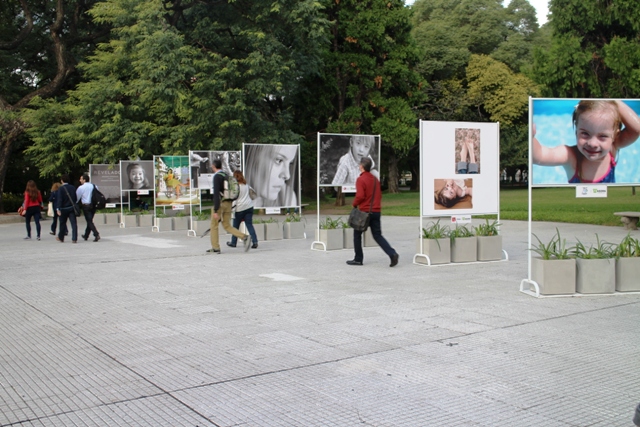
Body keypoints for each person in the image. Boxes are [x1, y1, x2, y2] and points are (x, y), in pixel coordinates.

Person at [533, 100, 640, 183]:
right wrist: (530, 136)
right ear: (576, 129)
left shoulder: (612, 148)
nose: (592, 144)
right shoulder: (571, 156)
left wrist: (613, 100)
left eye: (602, 136)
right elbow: (539, 156)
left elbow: (637, 129)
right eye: (585, 133)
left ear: (615, 136)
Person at [347, 157, 399, 267]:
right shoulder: (375, 180)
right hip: (376, 211)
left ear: (361, 166)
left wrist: (354, 204)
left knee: (357, 235)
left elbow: (360, 196)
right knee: (377, 235)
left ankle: (358, 258)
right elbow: (379, 195)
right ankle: (392, 253)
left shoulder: (361, 179)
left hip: (364, 213)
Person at [207, 159, 251, 254]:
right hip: (229, 203)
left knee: (214, 225)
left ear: (214, 166)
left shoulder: (216, 177)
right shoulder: (226, 176)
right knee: (227, 225)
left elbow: (216, 193)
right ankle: (244, 237)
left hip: (220, 204)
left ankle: (216, 247)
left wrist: (215, 210)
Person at [227, 170, 259, 249]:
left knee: (235, 226)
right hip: (249, 207)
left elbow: (233, 199)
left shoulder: (235, 187)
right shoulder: (246, 185)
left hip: (239, 208)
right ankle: (255, 242)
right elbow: (253, 194)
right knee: (249, 225)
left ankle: (233, 242)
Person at [76, 174, 100, 242]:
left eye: (81, 179)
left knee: (89, 221)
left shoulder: (81, 188)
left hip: (86, 206)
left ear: (84, 180)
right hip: (93, 205)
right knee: (90, 221)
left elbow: (77, 198)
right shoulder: (94, 186)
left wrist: (76, 203)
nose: (80, 180)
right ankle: (86, 235)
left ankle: (96, 234)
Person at [56, 174, 78, 243]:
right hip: (71, 208)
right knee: (73, 223)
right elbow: (75, 197)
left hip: (63, 209)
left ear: (62, 181)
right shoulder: (72, 187)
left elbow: (59, 199)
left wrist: (58, 208)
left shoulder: (61, 188)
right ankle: (74, 238)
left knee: (62, 223)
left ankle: (61, 237)